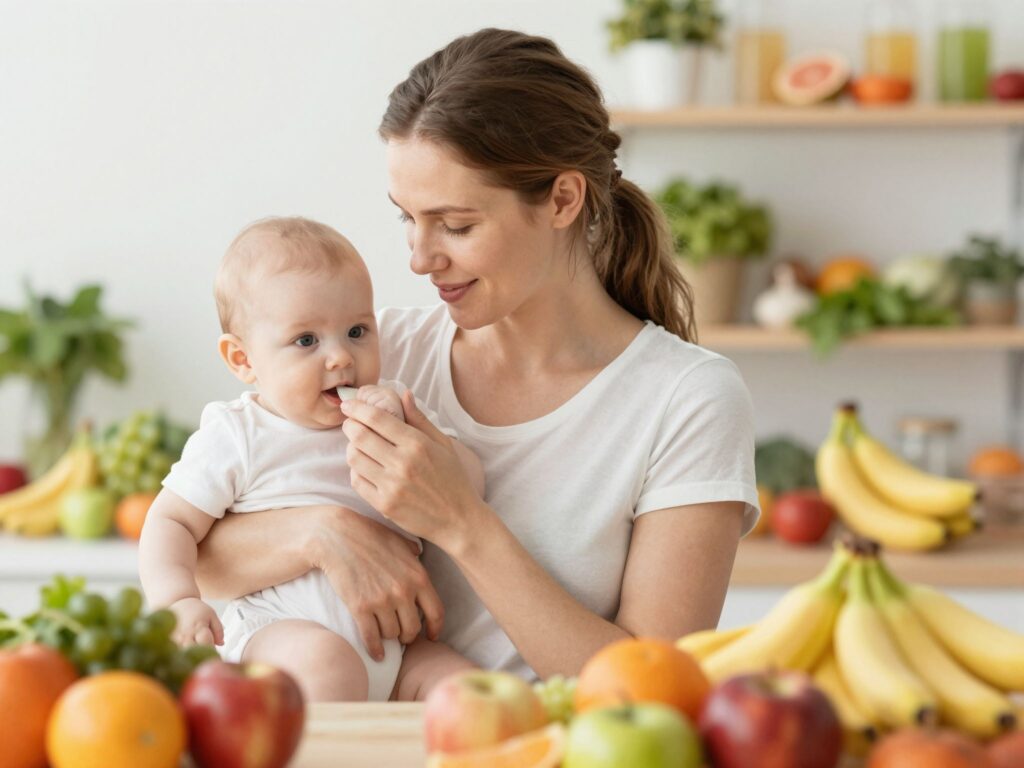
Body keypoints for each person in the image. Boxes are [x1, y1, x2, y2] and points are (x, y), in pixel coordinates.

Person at [194, 28, 759, 702]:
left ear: (561, 200)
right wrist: (325, 532)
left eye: (455, 225)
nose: (418, 257)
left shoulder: (686, 399)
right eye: (407, 218)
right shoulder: (369, 355)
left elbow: (654, 695)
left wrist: (463, 524)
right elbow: (202, 560)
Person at [138, 217, 485, 702]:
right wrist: (175, 602)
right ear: (243, 361)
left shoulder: (394, 407)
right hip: (279, 636)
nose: (341, 358)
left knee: (467, 689)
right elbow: (170, 520)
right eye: (307, 341)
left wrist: (410, 438)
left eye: (357, 331)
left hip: (400, 650)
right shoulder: (239, 433)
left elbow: (469, 485)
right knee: (326, 666)